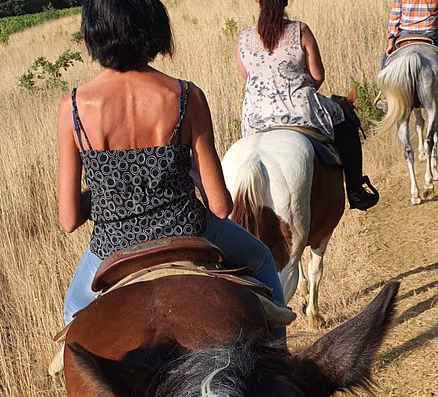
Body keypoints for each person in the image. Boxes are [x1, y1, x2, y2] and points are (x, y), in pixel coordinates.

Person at [58, 0, 288, 329]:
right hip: (188, 229)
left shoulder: (74, 107)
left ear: (94, 31)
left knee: (74, 315)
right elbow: (221, 207)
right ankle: (281, 357)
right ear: (153, 26)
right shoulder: (185, 96)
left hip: (112, 244)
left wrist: (110, 191)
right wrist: (190, 174)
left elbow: (68, 220)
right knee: (264, 260)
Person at [236, 0, 379, 211]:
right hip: (300, 112)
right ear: (285, 1)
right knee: (346, 118)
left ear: (257, 2)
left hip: (254, 118)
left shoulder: (243, 38)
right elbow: (317, 76)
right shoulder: (300, 31)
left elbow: (247, 78)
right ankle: (356, 191)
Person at [384, 0, 438, 108]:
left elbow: (395, 15)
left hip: (405, 34)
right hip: (430, 33)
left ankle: (386, 96)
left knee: (387, 60)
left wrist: (391, 42)